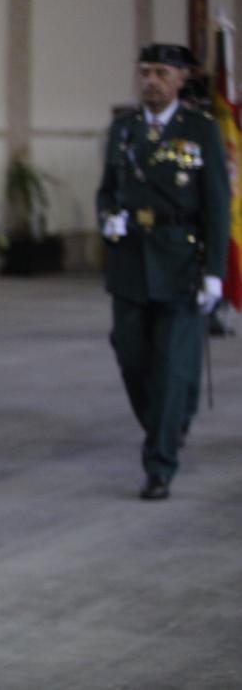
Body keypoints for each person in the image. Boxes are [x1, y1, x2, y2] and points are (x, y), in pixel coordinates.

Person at [95, 43, 229, 501]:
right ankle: (168, 422)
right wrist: (107, 217)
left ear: (179, 80)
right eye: (145, 71)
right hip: (131, 261)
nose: (149, 80)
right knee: (131, 357)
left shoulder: (200, 130)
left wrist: (216, 272)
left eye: (159, 73)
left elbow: (216, 203)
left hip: (179, 262)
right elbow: (107, 190)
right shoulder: (124, 129)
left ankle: (160, 463)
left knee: (171, 366)